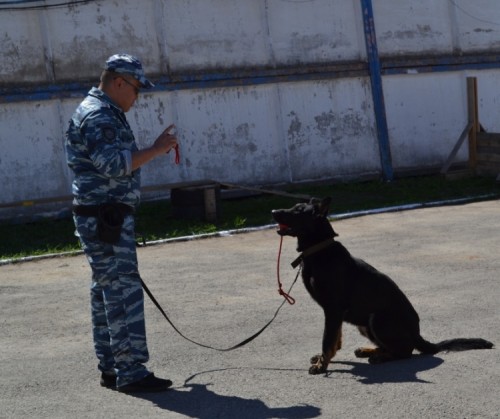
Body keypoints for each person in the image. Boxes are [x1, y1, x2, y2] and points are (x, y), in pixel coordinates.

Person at [65, 53, 178, 393]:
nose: (137, 96)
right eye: (136, 88)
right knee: (122, 292)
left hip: (101, 217)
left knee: (106, 290)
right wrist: (156, 149)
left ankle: (113, 367)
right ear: (117, 82)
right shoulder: (99, 115)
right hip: (106, 218)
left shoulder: (100, 110)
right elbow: (114, 165)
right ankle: (130, 371)